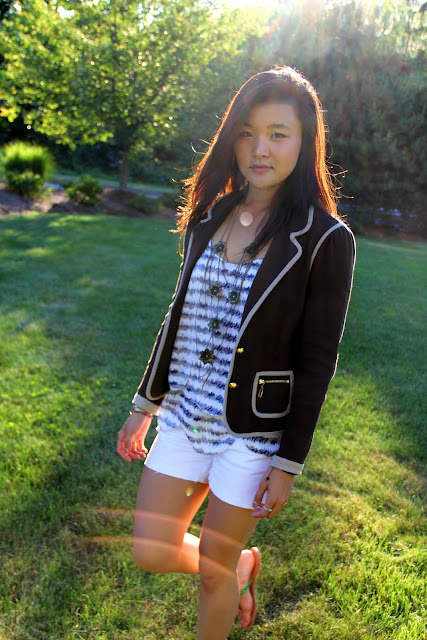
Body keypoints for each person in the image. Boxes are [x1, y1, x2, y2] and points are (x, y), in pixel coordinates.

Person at [117, 66, 356, 639]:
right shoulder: (210, 216)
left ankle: (230, 570)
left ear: (305, 142)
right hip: (183, 416)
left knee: (212, 572)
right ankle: (244, 567)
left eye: (278, 134)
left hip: (252, 433)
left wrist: (288, 463)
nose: (260, 149)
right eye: (247, 132)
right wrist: (145, 404)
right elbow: (178, 315)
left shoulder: (325, 239)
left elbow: (318, 361)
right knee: (151, 550)